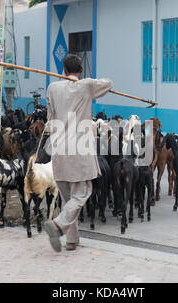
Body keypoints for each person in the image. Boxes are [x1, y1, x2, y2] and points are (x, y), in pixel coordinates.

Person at [43, 54, 113, 252]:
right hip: (78, 150)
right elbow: (108, 83)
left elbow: (50, 118)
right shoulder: (87, 85)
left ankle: (72, 240)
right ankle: (57, 225)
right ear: (80, 70)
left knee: (68, 198)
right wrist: (90, 85)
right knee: (82, 193)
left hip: (58, 149)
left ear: (64, 70)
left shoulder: (52, 88)